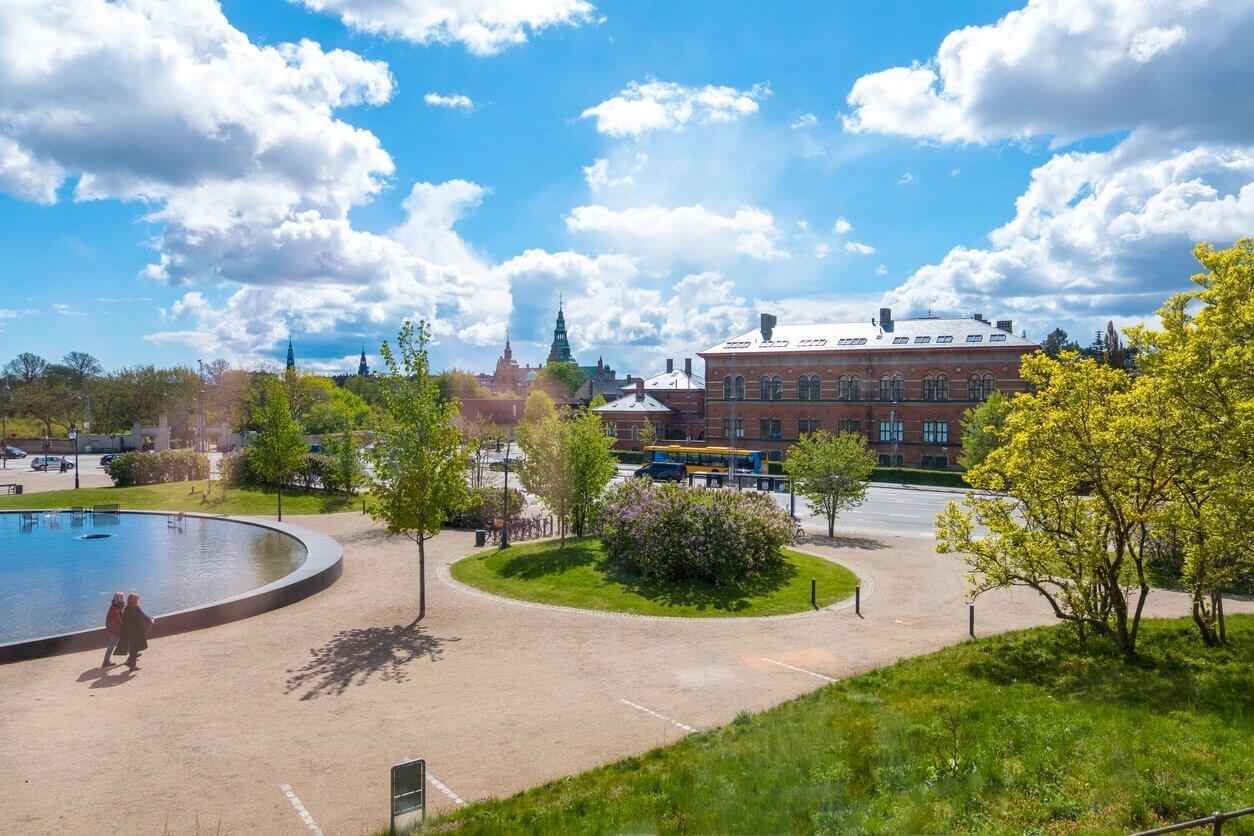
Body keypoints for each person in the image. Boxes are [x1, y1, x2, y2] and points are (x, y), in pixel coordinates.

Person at [115, 592, 155, 671]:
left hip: (128, 632)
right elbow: (143, 616)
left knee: (133, 648)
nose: (138, 600)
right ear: (134, 600)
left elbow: (124, 620)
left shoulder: (126, 608)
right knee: (135, 648)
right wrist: (151, 620)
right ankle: (132, 666)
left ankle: (130, 662)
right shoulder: (135, 607)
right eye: (137, 598)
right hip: (137, 631)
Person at [102, 592, 124, 668]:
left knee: (114, 644)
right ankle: (106, 661)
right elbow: (116, 620)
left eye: (122, 596)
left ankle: (133, 656)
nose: (122, 598)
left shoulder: (118, 605)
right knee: (113, 644)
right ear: (116, 598)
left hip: (115, 627)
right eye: (121, 597)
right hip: (115, 628)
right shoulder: (114, 607)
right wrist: (123, 626)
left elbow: (120, 616)